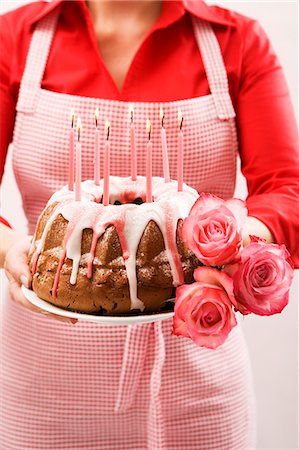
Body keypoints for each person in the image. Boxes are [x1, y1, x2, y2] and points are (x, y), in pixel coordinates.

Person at [0, 1, 298, 449]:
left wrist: (231, 246)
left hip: (197, 383)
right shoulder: (16, 36)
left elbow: (287, 189)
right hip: (43, 380)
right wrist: (8, 247)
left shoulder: (234, 40)